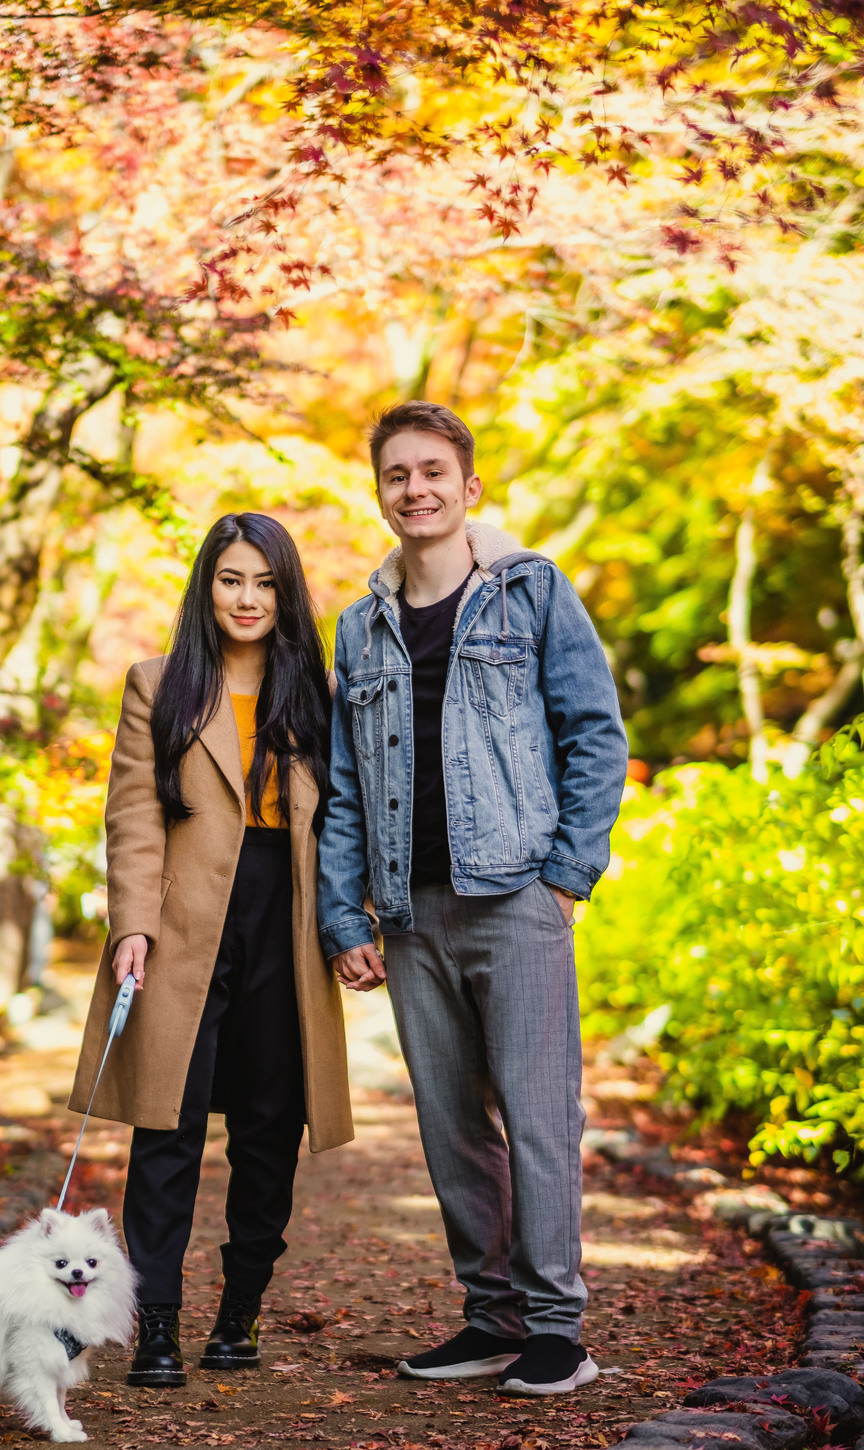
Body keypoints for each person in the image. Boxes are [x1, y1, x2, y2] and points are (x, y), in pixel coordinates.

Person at [317, 401, 627, 1397]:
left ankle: (555, 1331)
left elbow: (595, 732)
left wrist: (569, 873)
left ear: (469, 486)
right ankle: (489, 1320)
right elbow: (346, 785)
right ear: (381, 492)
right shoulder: (359, 629)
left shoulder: (531, 594)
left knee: (539, 1120)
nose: (416, 488)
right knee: (451, 1127)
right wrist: (344, 913)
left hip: (515, 897)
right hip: (410, 914)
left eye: (433, 471)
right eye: (397, 474)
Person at [69, 512, 353, 1388]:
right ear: (207, 585)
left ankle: (241, 1314)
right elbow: (133, 816)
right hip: (184, 922)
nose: (248, 598)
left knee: (270, 1127)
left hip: (286, 920)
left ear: (287, 594)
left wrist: (352, 923)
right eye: (232, 579)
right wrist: (132, 927)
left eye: (266, 583)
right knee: (168, 1125)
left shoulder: (315, 691)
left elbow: (340, 816)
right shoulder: (160, 684)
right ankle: (155, 1324)